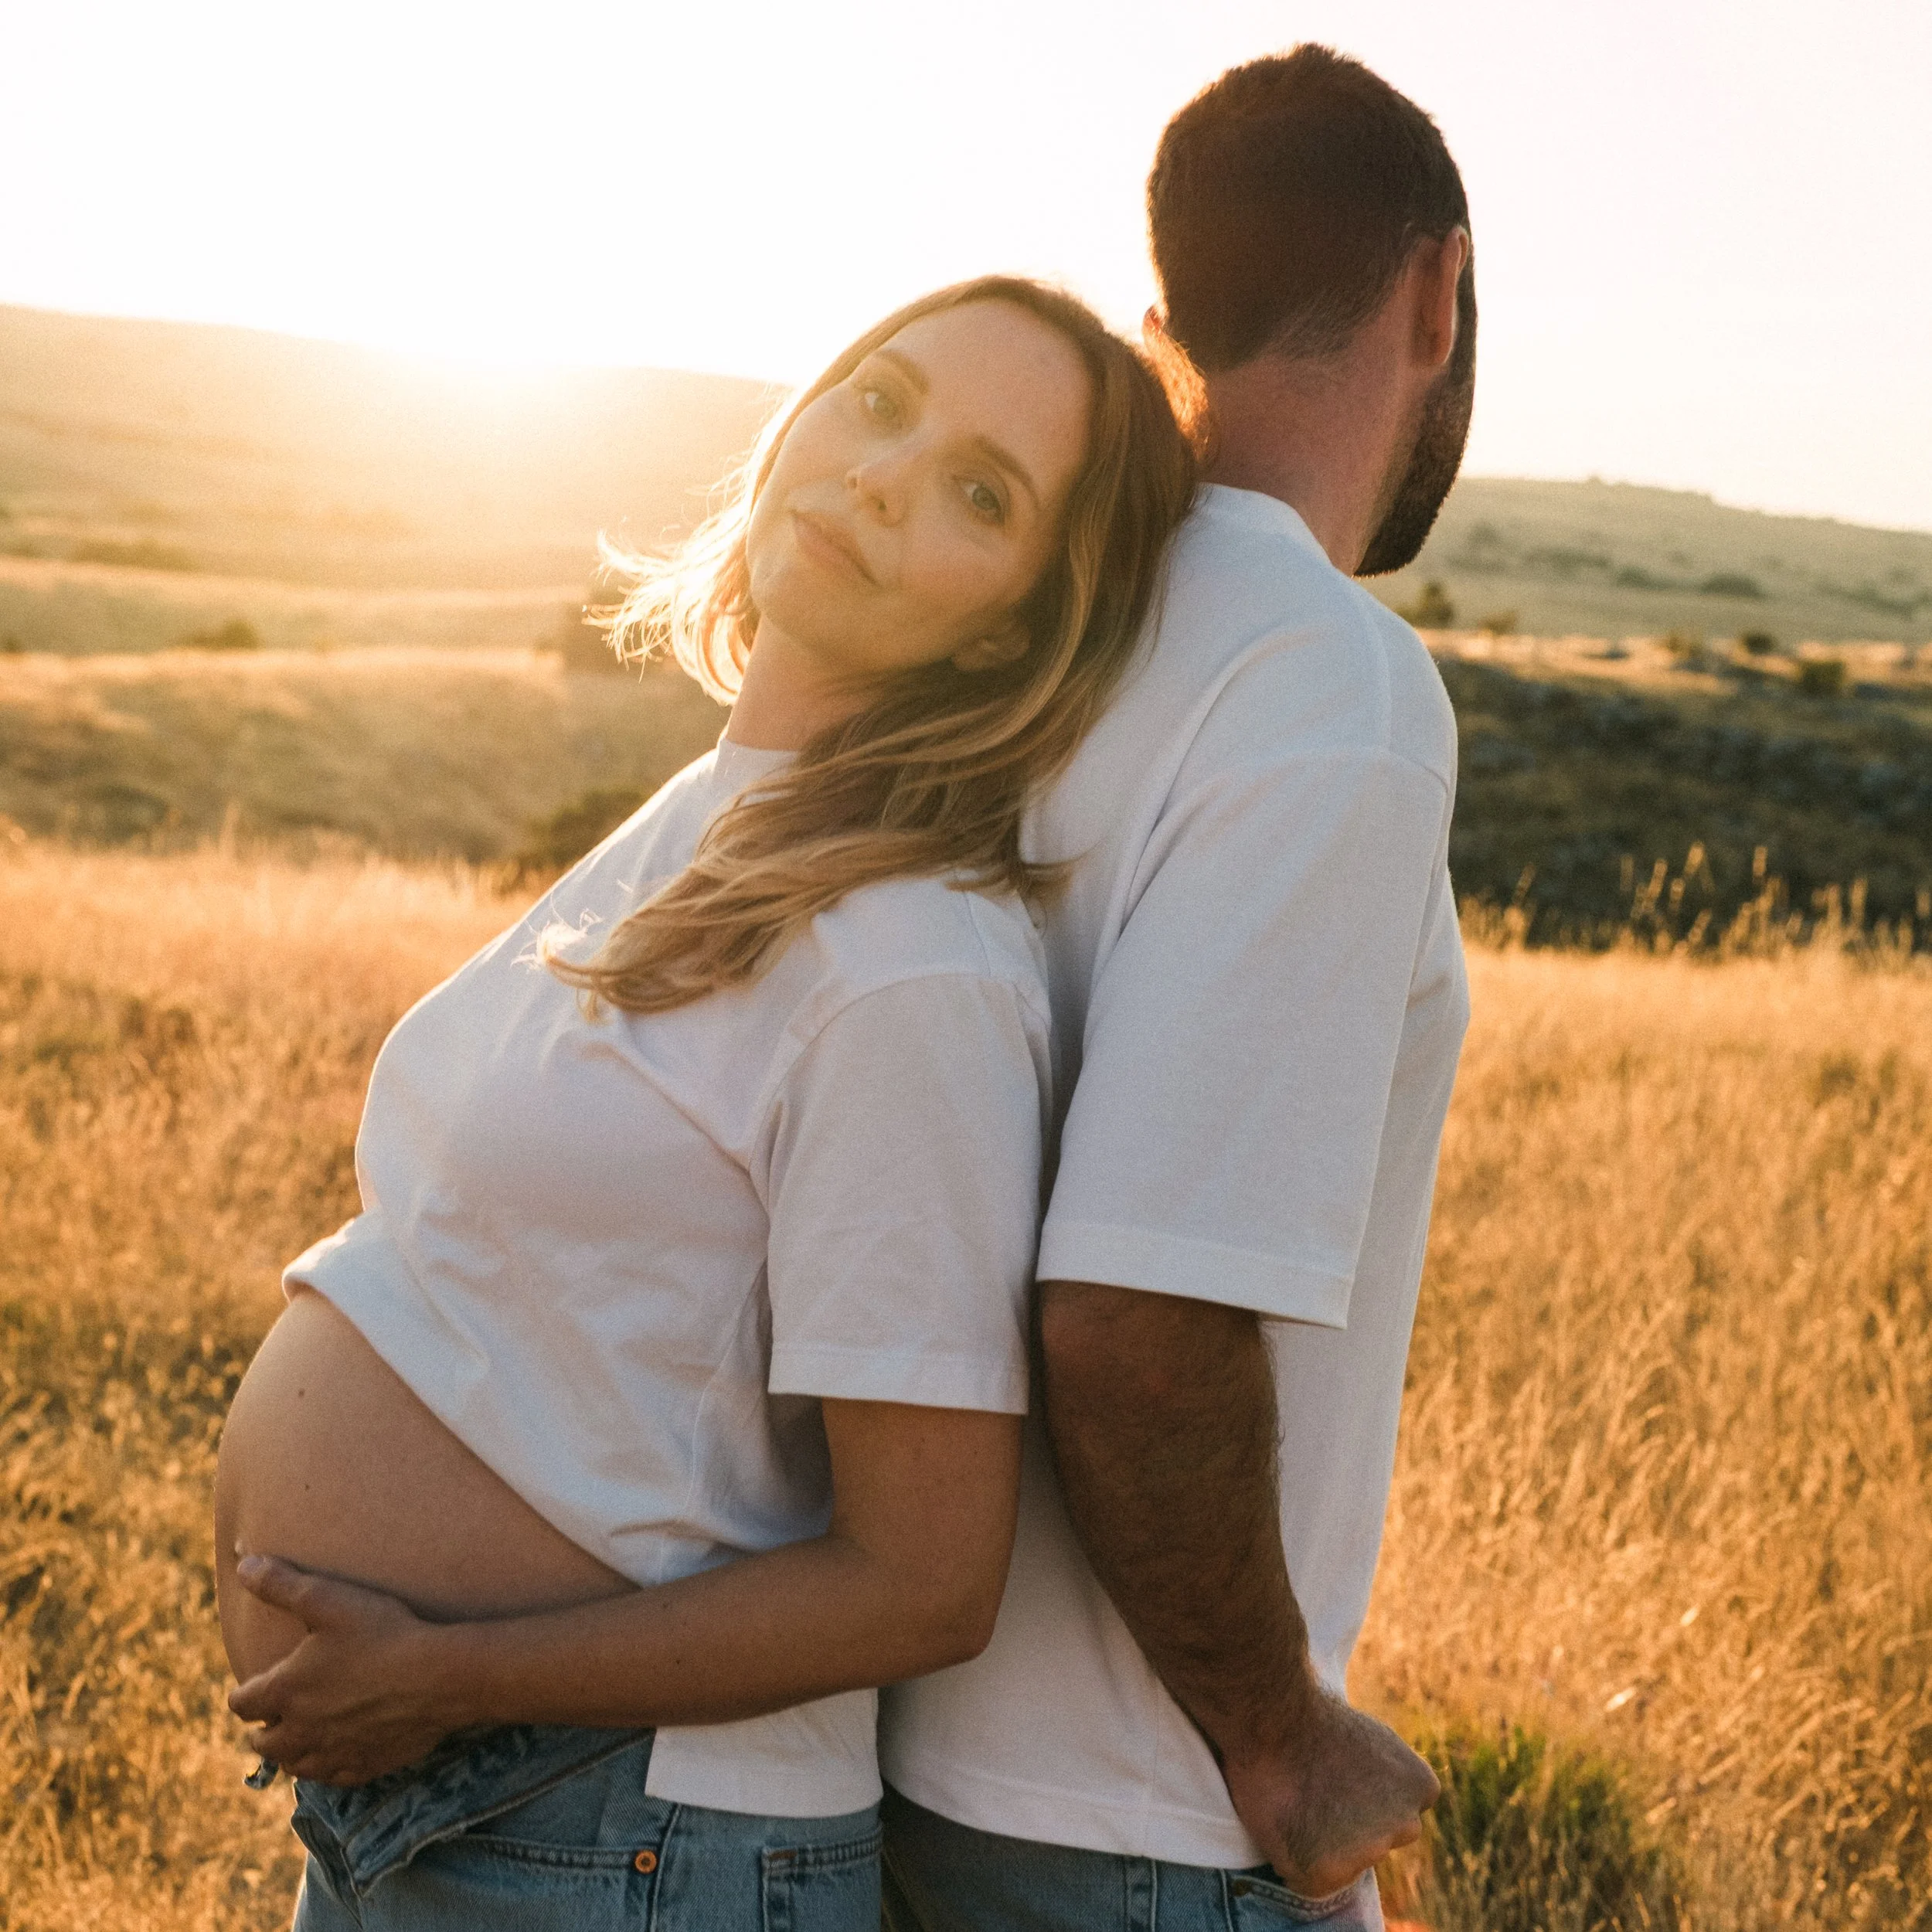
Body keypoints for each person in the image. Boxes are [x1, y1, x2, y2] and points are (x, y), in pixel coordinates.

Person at [213, 274, 1196, 1931]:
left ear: (1011, 628)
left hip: (625, 1839)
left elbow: (924, 1580)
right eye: (881, 401)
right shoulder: (721, 812)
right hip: (462, 1808)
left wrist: (451, 1674)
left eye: (980, 494)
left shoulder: (908, 959)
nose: (882, 477)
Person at [874, 48, 1475, 1932]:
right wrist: (1278, 1734)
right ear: (1435, 292)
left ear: (1162, 320)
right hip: (1133, 1813)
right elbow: (1132, 1320)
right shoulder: (1325, 680)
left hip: (884, 1756)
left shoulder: (1024, 624)